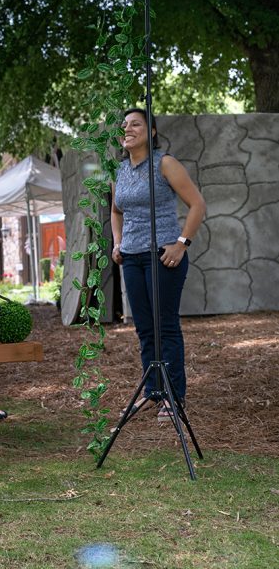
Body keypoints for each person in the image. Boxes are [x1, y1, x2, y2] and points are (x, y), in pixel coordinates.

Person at [111, 108, 206, 422]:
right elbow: (116, 210)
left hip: (163, 255)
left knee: (164, 327)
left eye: (136, 124)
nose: (128, 128)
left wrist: (182, 243)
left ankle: (175, 398)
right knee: (144, 330)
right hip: (132, 259)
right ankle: (153, 392)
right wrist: (117, 241)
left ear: (151, 132)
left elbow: (197, 205)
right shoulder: (120, 171)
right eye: (124, 125)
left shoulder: (164, 163)